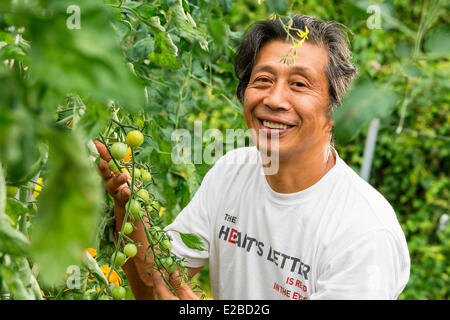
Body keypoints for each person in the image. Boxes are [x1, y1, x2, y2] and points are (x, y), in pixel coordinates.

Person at [95, 14, 410, 300]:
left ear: (335, 108)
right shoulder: (232, 172)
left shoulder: (364, 234)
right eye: (263, 80)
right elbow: (154, 290)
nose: (273, 99)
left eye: (299, 84)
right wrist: (128, 204)